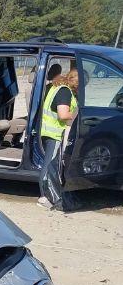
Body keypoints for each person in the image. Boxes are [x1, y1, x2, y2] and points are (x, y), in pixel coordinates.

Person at [38, 68, 79, 212]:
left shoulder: (57, 87)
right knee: (50, 167)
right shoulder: (65, 92)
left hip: (48, 132)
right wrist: (77, 115)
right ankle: (46, 197)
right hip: (54, 133)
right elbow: (63, 114)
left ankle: (48, 196)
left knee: (49, 165)